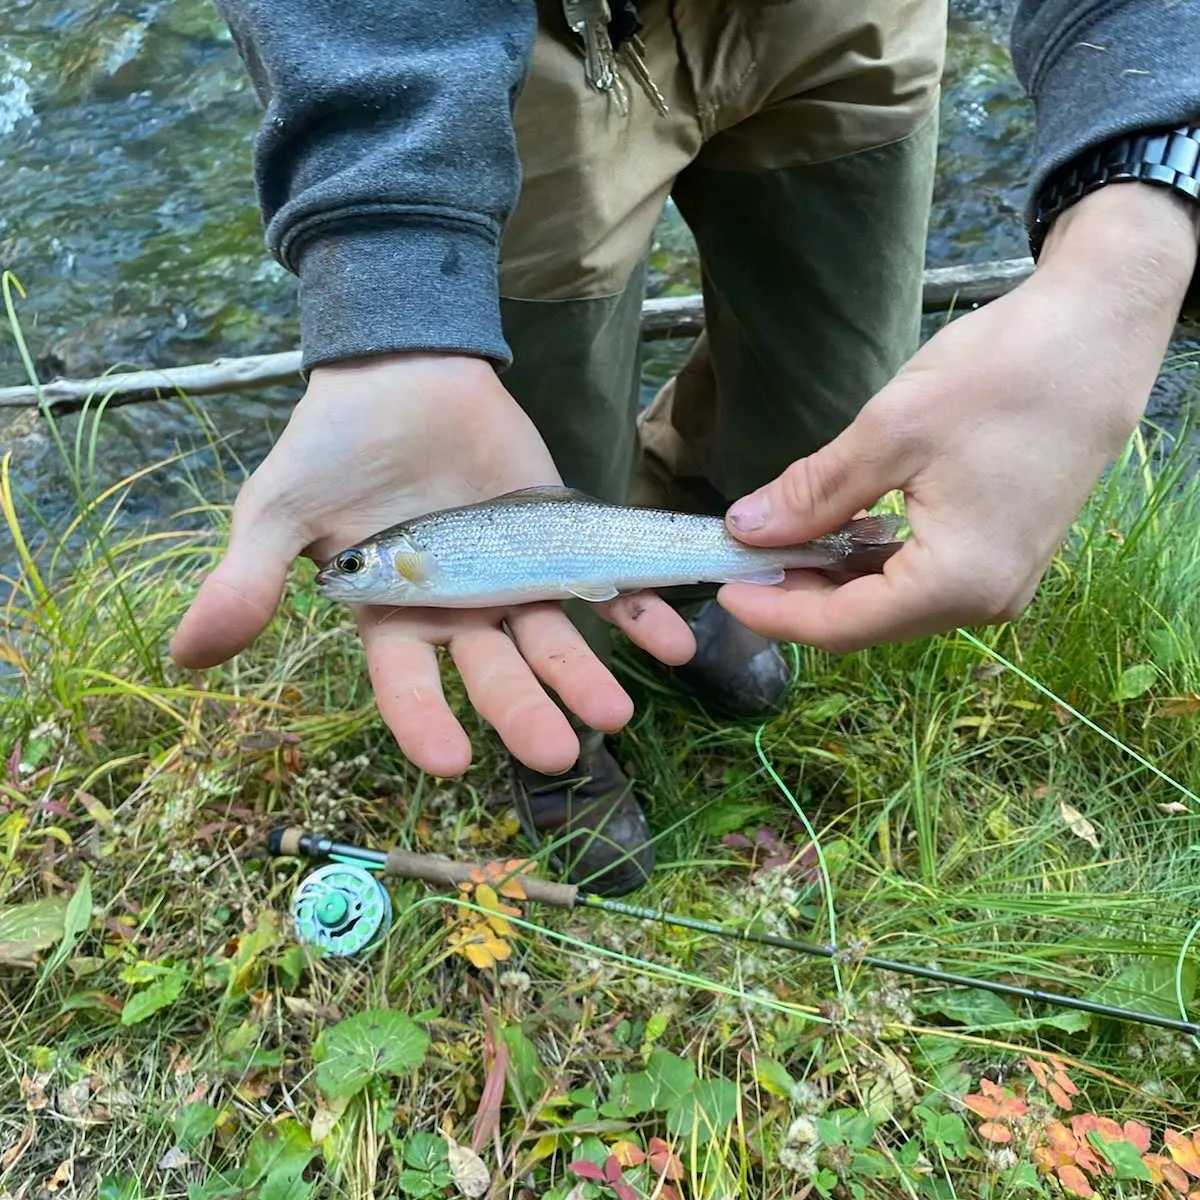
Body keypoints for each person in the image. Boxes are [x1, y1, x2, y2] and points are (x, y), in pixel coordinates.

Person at [170, 0, 1200, 897]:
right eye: (352, 571)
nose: (346, 578)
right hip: (508, 45)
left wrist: (1136, 226)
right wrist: (392, 286)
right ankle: (568, 744)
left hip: (850, 20)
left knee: (829, 412)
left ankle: (707, 594)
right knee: (544, 425)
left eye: (355, 570)